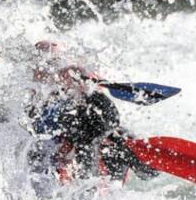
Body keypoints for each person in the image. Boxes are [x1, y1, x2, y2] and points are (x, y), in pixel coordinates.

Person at [26, 40, 159, 183]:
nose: (54, 76)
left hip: (95, 191)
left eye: (56, 64)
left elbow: (150, 173)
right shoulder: (29, 122)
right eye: (47, 66)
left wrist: (89, 92)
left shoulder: (110, 133)